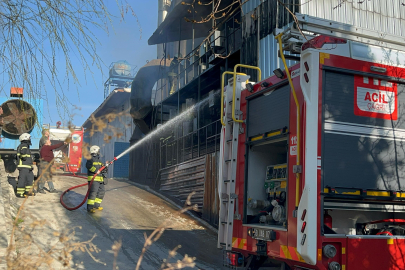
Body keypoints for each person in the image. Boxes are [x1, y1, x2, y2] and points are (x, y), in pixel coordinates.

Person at [86, 145, 107, 213]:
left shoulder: (98, 159)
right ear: (95, 150)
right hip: (93, 179)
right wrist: (95, 171)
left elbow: (102, 168)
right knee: (93, 193)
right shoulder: (90, 158)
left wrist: (105, 165)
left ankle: (96, 205)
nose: (99, 152)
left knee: (101, 192)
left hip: (100, 179)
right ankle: (90, 208)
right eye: (98, 151)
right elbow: (88, 166)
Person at [16, 133, 35, 197]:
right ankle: (20, 193)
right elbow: (23, 155)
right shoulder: (24, 145)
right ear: (25, 138)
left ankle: (28, 192)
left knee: (30, 178)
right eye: (29, 138)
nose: (30, 139)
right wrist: (26, 157)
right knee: (23, 179)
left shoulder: (26, 146)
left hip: (28, 166)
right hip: (24, 166)